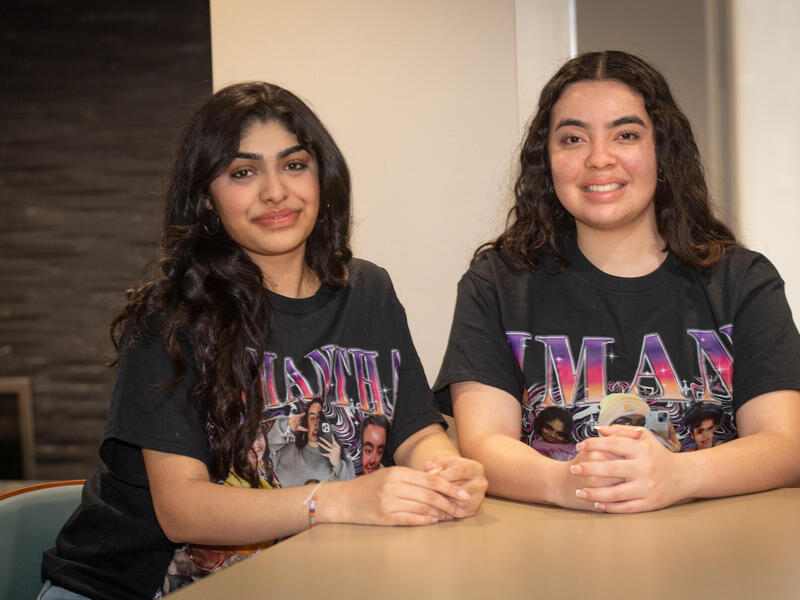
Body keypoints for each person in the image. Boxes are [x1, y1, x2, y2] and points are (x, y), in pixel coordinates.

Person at [40, 82, 486, 600]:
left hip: (298, 577)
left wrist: (443, 468)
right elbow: (182, 510)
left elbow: (412, 428)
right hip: (128, 588)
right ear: (207, 197)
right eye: (243, 172)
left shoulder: (369, 290)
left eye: (294, 165)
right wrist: (338, 502)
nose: (275, 191)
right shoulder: (172, 315)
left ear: (324, 176)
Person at [434, 50, 800, 514]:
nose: (599, 159)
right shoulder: (498, 282)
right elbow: (483, 443)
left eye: (626, 134)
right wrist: (570, 484)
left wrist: (677, 475)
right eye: (572, 139)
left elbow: (786, 444)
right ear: (546, 161)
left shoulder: (742, 281)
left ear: (662, 153)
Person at [267, 397, 355, 487]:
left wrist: (338, 465)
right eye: (312, 418)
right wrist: (285, 427)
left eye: (321, 418)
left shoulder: (341, 457)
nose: (316, 423)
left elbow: (350, 492)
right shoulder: (288, 450)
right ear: (306, 422)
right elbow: (263, 450)